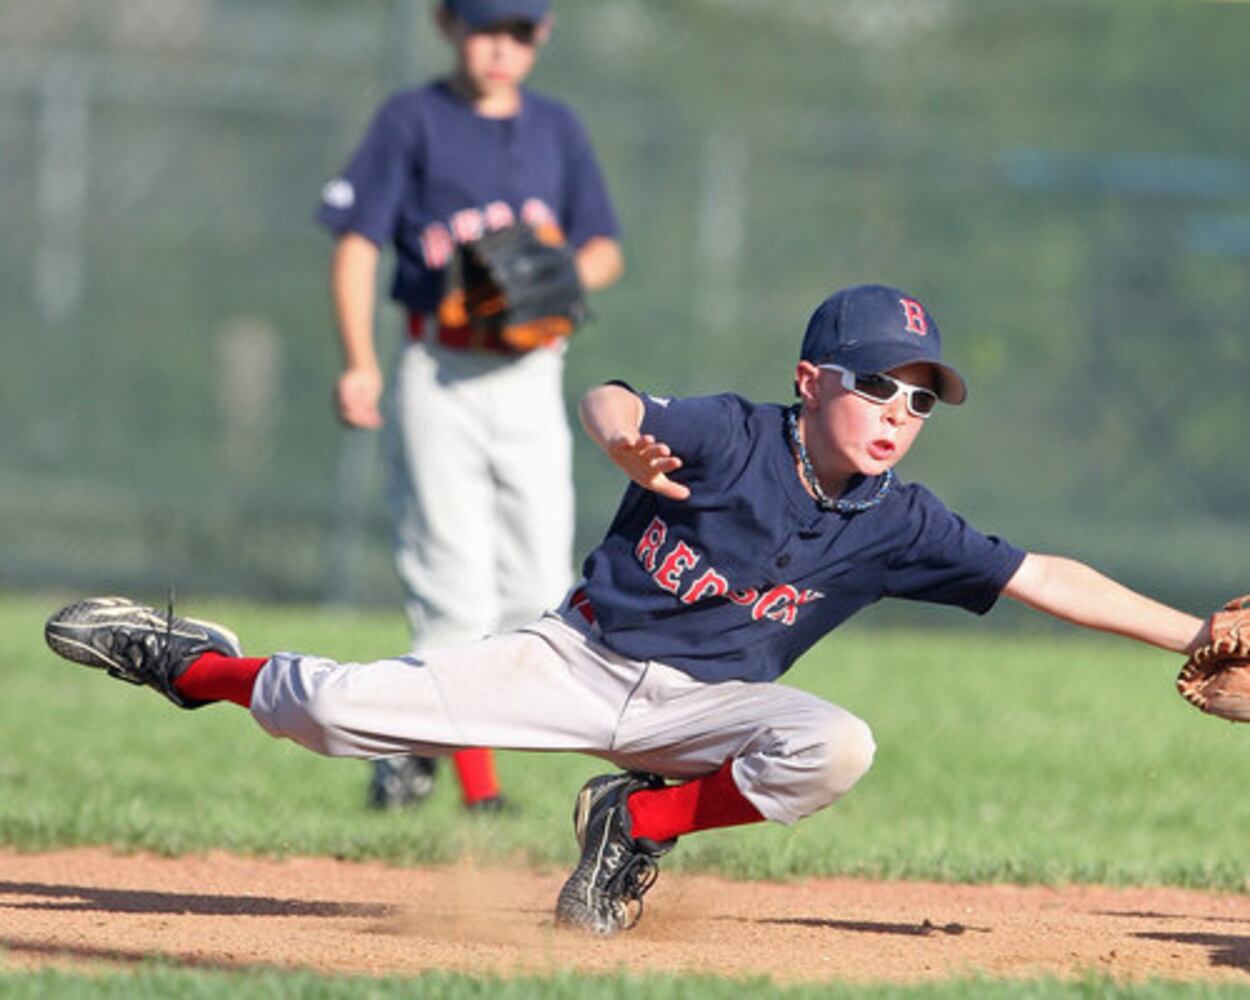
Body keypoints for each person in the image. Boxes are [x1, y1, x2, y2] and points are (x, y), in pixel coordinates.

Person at [45, 283, 1212, 936]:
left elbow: (1040, 573)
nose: (899, 409)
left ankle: (631, 829)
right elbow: (607, 392)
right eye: (875, 383)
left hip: (702, 708)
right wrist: (621, 437)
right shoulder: (731, 432)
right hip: (574, 660)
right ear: (811, 382)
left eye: (920, 396)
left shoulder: (899, 520)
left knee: (833, 744)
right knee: (340, 710)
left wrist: (1197, 633)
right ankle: (191, 663)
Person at [316, 0, 624, 811]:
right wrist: (359, 361)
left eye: (519, 31)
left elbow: (602, 248)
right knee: (452, 587)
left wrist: (558, 274)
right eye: (486, 26)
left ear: (543, 36)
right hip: (438, 368)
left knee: (538, 589)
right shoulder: (413, 120)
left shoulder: (557, 128)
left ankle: (413, 745)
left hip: (529, 374)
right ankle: (470, 789)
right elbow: (356, 243)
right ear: (447, 23)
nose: (501, 46)